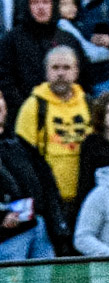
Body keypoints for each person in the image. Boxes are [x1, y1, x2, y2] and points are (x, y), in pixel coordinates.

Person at [0, 91, 69, 283]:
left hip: (39, 228)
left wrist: (56, 222)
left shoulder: (21, 144)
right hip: (8, 235)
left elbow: (48, 185)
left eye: (1, 98)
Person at [13, 44, 88, 212]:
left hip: (85, 199)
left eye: (66, 67)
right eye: (55, 68)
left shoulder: (89, 105)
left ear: (76, 71)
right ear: (47, 72)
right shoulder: (33, 106)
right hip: (49, 202)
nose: (60, 73)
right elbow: (22, 159)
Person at [0, 0, 86, 119]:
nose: (41, 7)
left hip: (67, 115)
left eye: (46, 2)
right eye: (35, 3)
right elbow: (6, 81)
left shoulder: (68, 40)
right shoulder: (12, 41)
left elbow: (84, 79)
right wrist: (28, 109)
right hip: (25, 116)